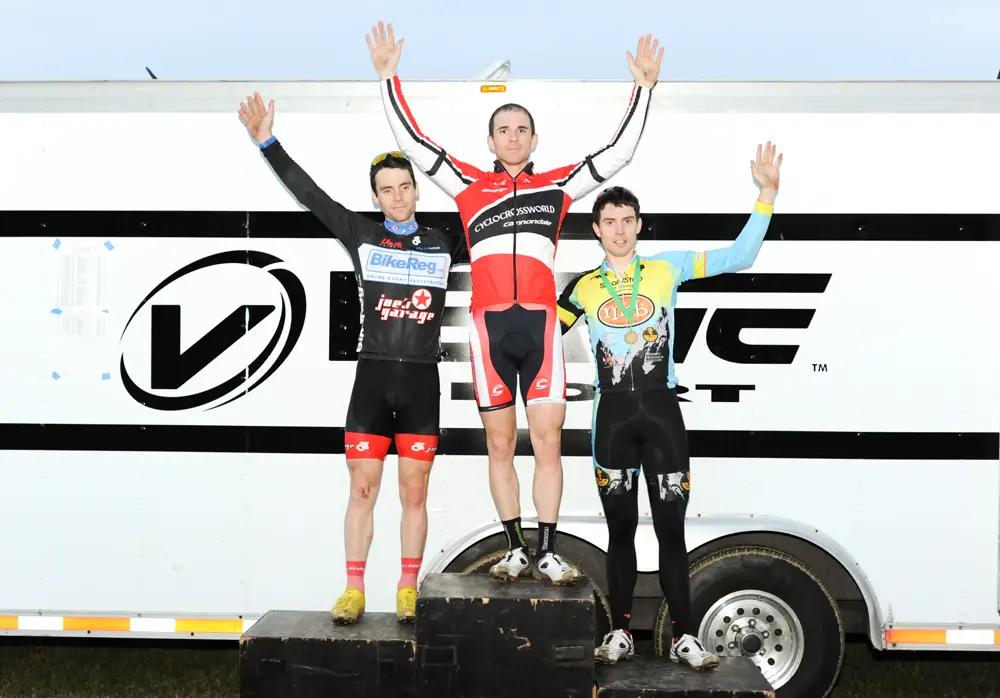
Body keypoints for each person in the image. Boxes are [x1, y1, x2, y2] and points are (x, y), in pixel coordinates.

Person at [365, 21, 663, 585]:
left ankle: (548, 550)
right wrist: (388, 79)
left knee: (548, 442)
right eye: (503, 129)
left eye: (521, 129)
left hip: (542, 328)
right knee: (500, 444)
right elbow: (414, 146)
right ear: (491, 140)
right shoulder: (467, 185)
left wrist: (642, 89)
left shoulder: (557, 186)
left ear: (533, 139)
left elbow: (618, 155)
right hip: (489, 332)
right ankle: (514, 546)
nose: (512, 137)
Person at [238, 92, 469, 624]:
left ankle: (408, 589)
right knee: (362, 489)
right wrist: (267, 143)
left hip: (420, 386)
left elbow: (484, 206)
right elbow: (310, 195)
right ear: (376, 196)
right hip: (372, 380)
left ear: (416, 189)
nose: (397, 197)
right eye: (386, 191)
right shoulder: (361, 233)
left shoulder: (442, 240)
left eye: (405, 187)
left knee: (415, 495)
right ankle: (353, 589)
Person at [556, 143, 783, 670]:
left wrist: (766, 195)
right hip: (610, 420)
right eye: (608, 221)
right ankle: (618, 633)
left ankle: (685, 636)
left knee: (671, 531)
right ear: (596, 229)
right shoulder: (584, 289)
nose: (618, 229)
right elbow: (539, 337)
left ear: (639, 226)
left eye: (627, 220)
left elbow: (738, 257)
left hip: (662, 417)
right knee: (618, 533)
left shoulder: (666, 268)